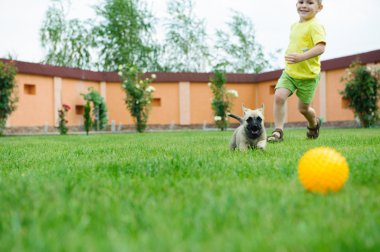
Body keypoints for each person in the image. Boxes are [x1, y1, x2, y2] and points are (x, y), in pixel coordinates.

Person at [267, 0, 326, 142]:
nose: (304, 5)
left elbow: (321, 48)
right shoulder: (294, 25)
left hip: (308, 76)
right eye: (301, 2)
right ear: (296, 5)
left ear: (319, 8)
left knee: (303, 109)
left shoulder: (315, 26)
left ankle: (314, 123)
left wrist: (301, 57)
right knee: (279, 96)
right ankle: (278, 131)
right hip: (290, 72)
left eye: (310, 3)